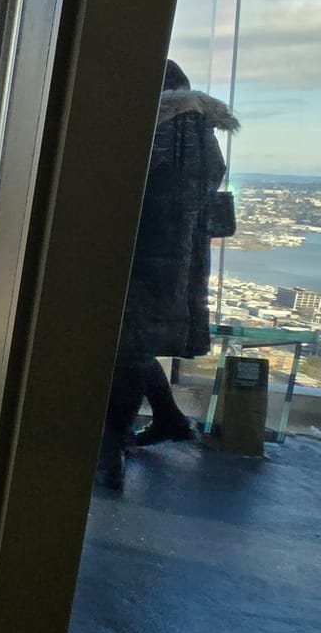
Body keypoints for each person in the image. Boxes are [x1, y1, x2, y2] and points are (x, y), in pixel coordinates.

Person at [96, 60, 238, 489]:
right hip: (174, 264)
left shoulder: (157, 132)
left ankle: (109, 452)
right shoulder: (197, 133)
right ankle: (169, 418)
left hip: (138, 258)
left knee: (128, 350)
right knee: (136, 344)